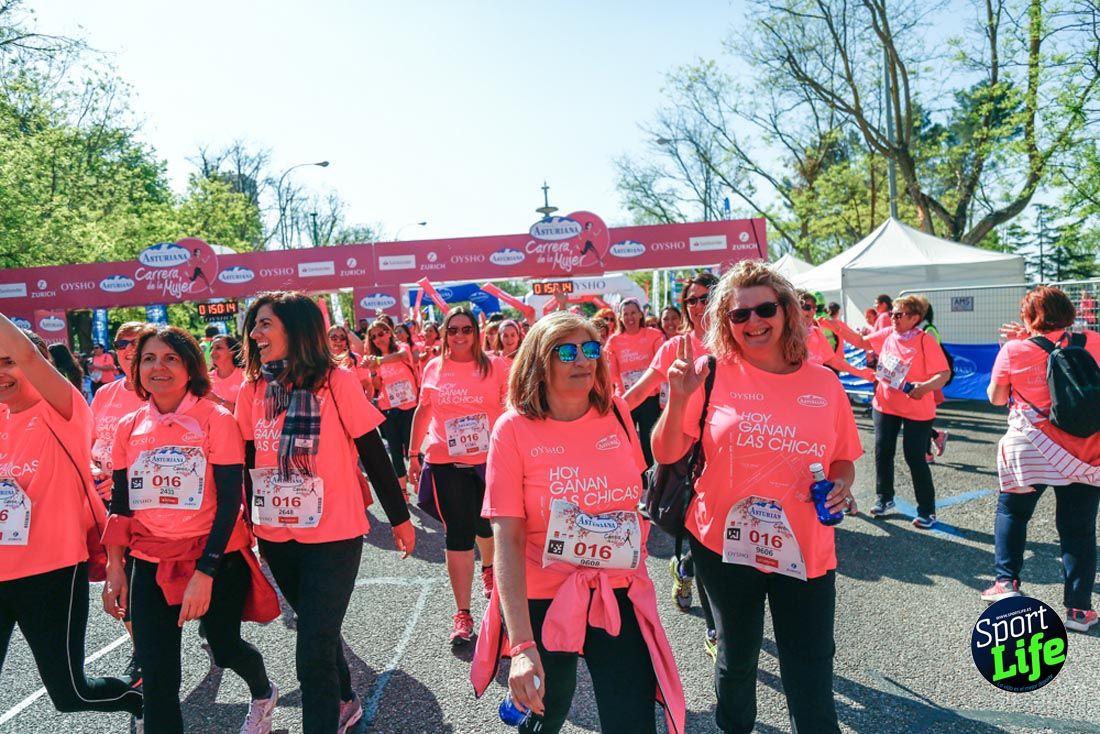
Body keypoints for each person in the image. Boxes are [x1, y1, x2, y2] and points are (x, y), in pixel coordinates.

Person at [651, 260, 861, 734]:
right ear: (725, 322)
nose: (753, 322)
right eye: (738, 314)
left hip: (804, 547)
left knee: (810, 667)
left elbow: (842, 458)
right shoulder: (709, 373)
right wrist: (679, 397)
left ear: (786, 310)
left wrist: (841, 484)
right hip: (723, 545)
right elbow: (666, 452)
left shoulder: (824, 383)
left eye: (764, 309)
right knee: (737, 658)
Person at [472, 311, 685, 734]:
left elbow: (635, 494)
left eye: (590, 349)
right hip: (544, 594)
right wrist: (522, 646)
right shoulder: (511, 429)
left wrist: (679, 398)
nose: (583, 360)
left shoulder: (617, 413)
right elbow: (507, 538)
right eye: (567, 352)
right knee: (544, 717)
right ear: (539, 361)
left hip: (616, 589)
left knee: (632, 722)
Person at [237, 291, 415, 733]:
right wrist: (252, 524)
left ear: (296, 329)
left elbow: (372, 451)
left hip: (334, 534)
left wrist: (399, 518)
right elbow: (249, 458)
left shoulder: (337, 381)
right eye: (254, 324)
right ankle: (345, 700)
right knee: (319, 629)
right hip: (277, 535)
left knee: (311, 651)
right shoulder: (252, 387)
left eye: (264, 323)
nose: (254, 333)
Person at [101, 326, 279, 734]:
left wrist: (205, 572)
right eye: (148, 358)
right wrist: (115, 567)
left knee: (224, 648)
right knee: (158, 676)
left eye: (170, 358)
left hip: (214, 558)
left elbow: (231, 501)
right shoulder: (129, 426)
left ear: (190, 368)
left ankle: (263, 691)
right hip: (150, 561)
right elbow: (121, 501)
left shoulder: (216, 419)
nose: (158, 367)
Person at [0, 314, 144, 725]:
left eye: (9, 362)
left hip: (50, 573)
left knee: (71, 694)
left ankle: (145, 702)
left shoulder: (62, 411)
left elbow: (28, 355)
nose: (2, 373)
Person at [982, 286, 1099, 632]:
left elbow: (995, 397)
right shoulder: (1092, 341)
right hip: (1084, 449)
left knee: (1013, 513)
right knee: (1078, 530)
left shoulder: (1013, 349)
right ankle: (1079, 611)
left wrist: (1022, 346)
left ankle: (1006, 583)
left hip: (1030, 447)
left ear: (1029, 317)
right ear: (1069, 313)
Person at [623, 272, 720, 656]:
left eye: (706, 297)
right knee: (702, 535)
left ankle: (685, 568)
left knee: (720, 540)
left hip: (733, 459)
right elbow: (637, 394)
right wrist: (588, 420)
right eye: (691, 300)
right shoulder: (675, 348)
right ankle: (715, 629)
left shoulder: (741, 341)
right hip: (688, 459)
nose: (698, 306)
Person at [407, 307, 507, 645]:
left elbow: (512, 409)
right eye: (453, 330)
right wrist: (413, 454)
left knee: (486, 528)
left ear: (476, 333)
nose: (460, 335)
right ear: (445, 334)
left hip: (489, 463)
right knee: (458, 535)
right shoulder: (434, 367)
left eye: (466, 329)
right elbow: (424, 409)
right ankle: (463, 613)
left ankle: (489, 569)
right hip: (446, 463)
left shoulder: (495, 366)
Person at [823, 295, 951, 528]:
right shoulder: (888, 334)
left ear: (915, 318)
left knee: (915, 458)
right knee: (882, 452)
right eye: (892, 313)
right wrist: (836, 327)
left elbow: (944, 374)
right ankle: (884, 498)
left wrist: (924, 388)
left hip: (917, 407)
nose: (893, 318)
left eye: (899, 315)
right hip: (885, 403)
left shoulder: (925, 340)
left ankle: (927, 510)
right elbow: (861, 341)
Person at [605, 298, 665, 466]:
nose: (630, 317)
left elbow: (661, 364)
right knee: (626, 440)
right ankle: (632, 473)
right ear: (620, 317)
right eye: (626, 314)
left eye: (633, 313)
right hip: (626, 400)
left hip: (649, 398)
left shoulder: (654, 335)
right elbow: (612, 374)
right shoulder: (614, 341)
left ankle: (651, 475)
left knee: (649, 440)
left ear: (640, 314)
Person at [366, 319, 420, 493]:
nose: (378, 339)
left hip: (409, 407)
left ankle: (420, 483)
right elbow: (377, 385)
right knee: (395, 450)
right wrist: (372, 370)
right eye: (374, 337)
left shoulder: (402, 348)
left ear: (389, 333)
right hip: (389, 408)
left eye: (381, 334)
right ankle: (403, 490)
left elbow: (401, 356)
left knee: (412, 448)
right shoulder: (375, 361)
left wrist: (377, 361)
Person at [920, 304, 949, 461]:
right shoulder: (921, 330)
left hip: (928, 380)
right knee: (919, 418)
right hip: (923, 379)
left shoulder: (928, 330)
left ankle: (928, 452)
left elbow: (929, 357)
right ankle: (936, 438)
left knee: (922, 418)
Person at [327, 324, 373, 395]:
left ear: (346, 341)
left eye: (342, 338)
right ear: (327, 341)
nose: (338, 340)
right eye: (334, 338)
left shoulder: (355, 358)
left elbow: (368, 386)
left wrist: (365, 401)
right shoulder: (323, 362)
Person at [208, 334, 244, 413]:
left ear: (232, 351)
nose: (212, 352)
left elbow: (246, 410)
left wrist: (216, 399)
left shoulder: (245, 376)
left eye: (218, 348)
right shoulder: (207, 379)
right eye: (211, 348)